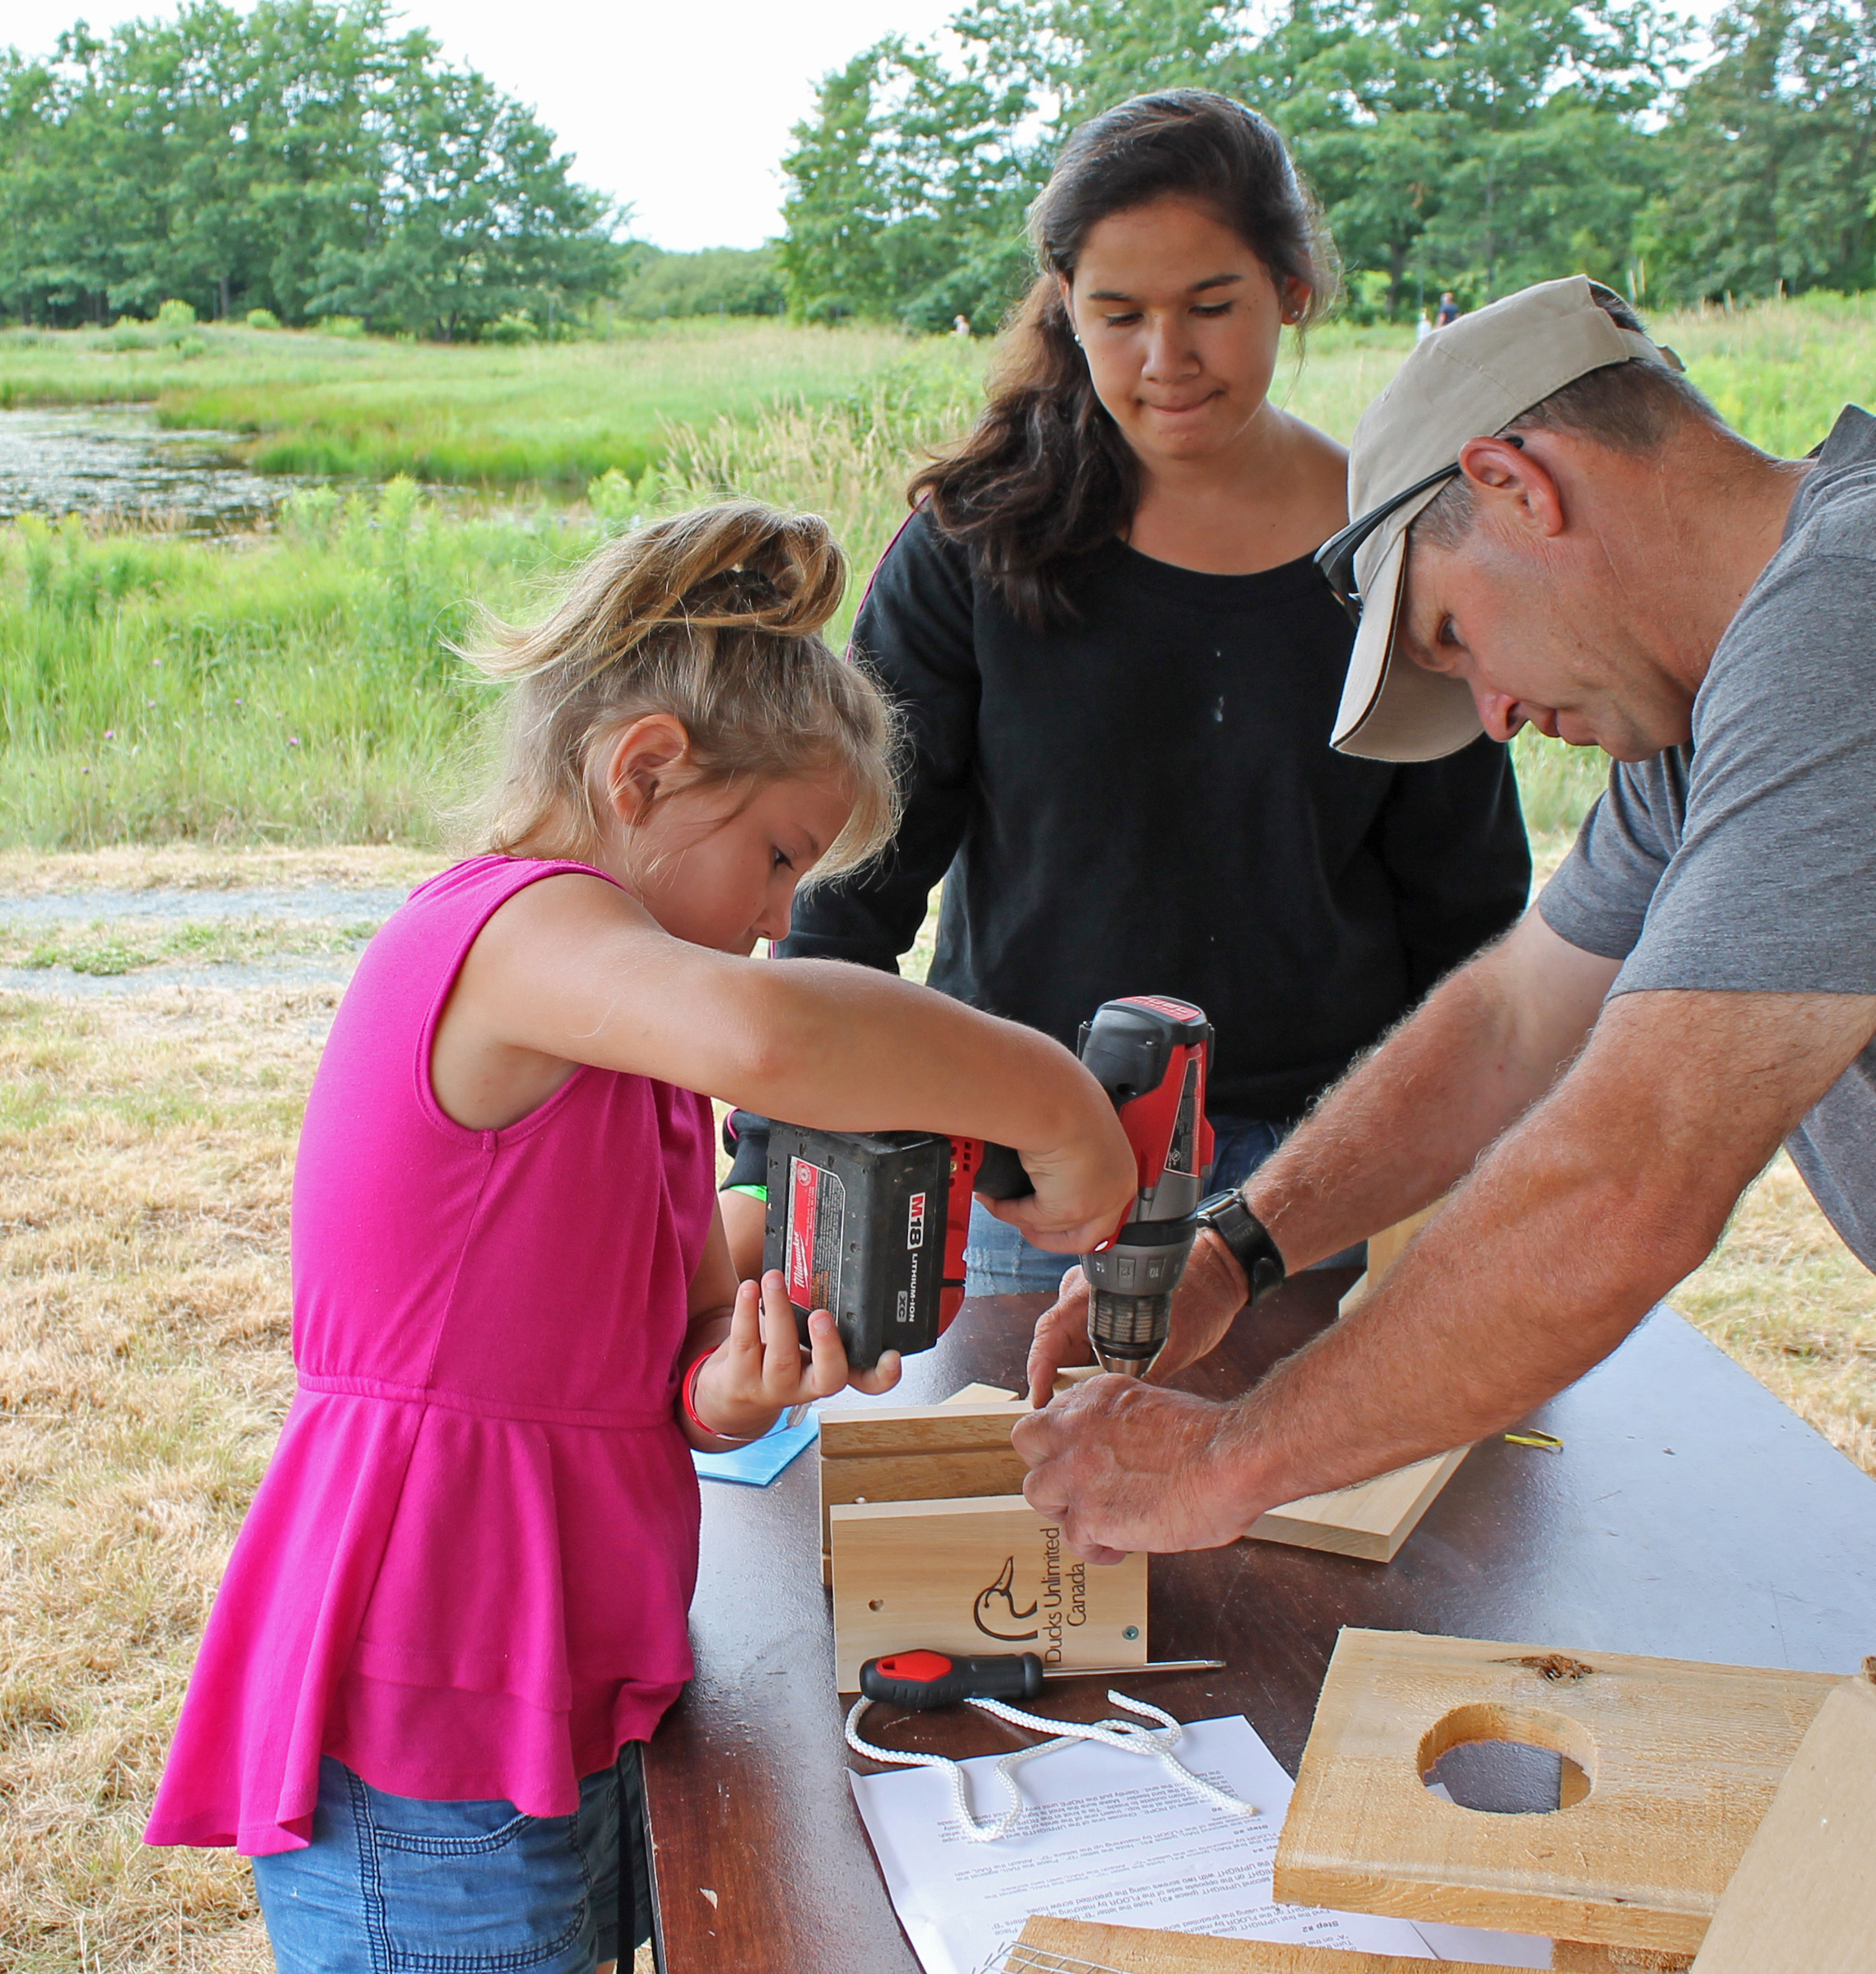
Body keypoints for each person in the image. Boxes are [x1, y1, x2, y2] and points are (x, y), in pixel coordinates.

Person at [1014, 276, 1876, 1636]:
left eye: (1454, 636)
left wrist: (1226, 1464)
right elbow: (1512, 1023)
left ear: (1517, 483)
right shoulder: (1719, 699)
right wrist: (1240, 1246)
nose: (1494, 714)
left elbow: (1627, 1184)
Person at [145, 503, 1137, 1972]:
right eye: (778, 858)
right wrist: (1054, 1099)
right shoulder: (508, 933)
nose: (781, 917)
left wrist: (733, 1383)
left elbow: (667, 1348)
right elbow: (773, 1033)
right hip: (430, 1696)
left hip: (572, 1681)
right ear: (646, 769)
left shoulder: (629, 1053)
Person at [720, 90, 1528, 1302]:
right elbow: (855, 877)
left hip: (1328, 1169)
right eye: (1119, 315)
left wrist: (1462, 1168)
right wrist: (772, 1165)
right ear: (1067, 305)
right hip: (1032, 1171)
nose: (1167, 360)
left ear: (1292, 289)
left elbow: (1466, 911)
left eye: (1212, 307)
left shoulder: (1399, 551)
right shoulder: (973, 545)